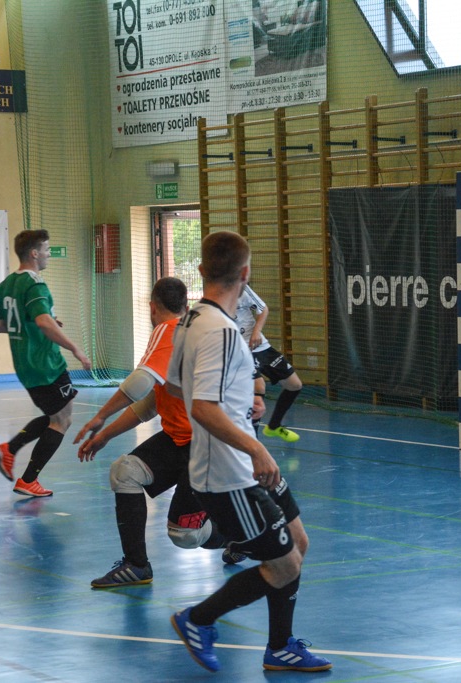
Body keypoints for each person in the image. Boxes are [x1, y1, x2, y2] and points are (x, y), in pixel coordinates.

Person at [166, 231, 330, 674]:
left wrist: (240, 402)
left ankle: (280, 648)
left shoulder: (190, 320)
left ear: (202, 270)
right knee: (284, 565)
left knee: (297, 543)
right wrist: (255, 446)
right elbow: (202, 407)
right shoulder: (220, 331)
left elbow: (178, 387)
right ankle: (198, 618)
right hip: (230, 472)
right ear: (246, 273)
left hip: (242, 462)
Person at [73, 277, 222, 587]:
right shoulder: (186, 332)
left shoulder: (168, 330)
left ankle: (243, 535)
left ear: (153, 307)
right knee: (125, 471)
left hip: (208, 446)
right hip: (181, 441)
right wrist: (106, 435)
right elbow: (151, 403)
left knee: (186, 535)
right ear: (185, 305)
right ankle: (137, 565)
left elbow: (140, 382)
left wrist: (100, 416)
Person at [0, 229, 92, 497]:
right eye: (46, 250)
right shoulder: (35, 284)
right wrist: (75, 349)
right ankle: (27, 479)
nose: (48, 254)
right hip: (45, 363)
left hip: (24, 364)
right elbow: (44, 322)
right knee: (62, 420)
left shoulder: (5, 285)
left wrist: (36, 322)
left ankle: (9, 449)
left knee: (55, 415)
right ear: (34, 253)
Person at [235, 284, 303, 442]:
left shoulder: (242, 288)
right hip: (240, 349)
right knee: (259, 386)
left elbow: (263, 309)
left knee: (294, 385)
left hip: (259, 345)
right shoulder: (216, 296)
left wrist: (257, 331)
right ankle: (253, 442)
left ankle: (273, 426)